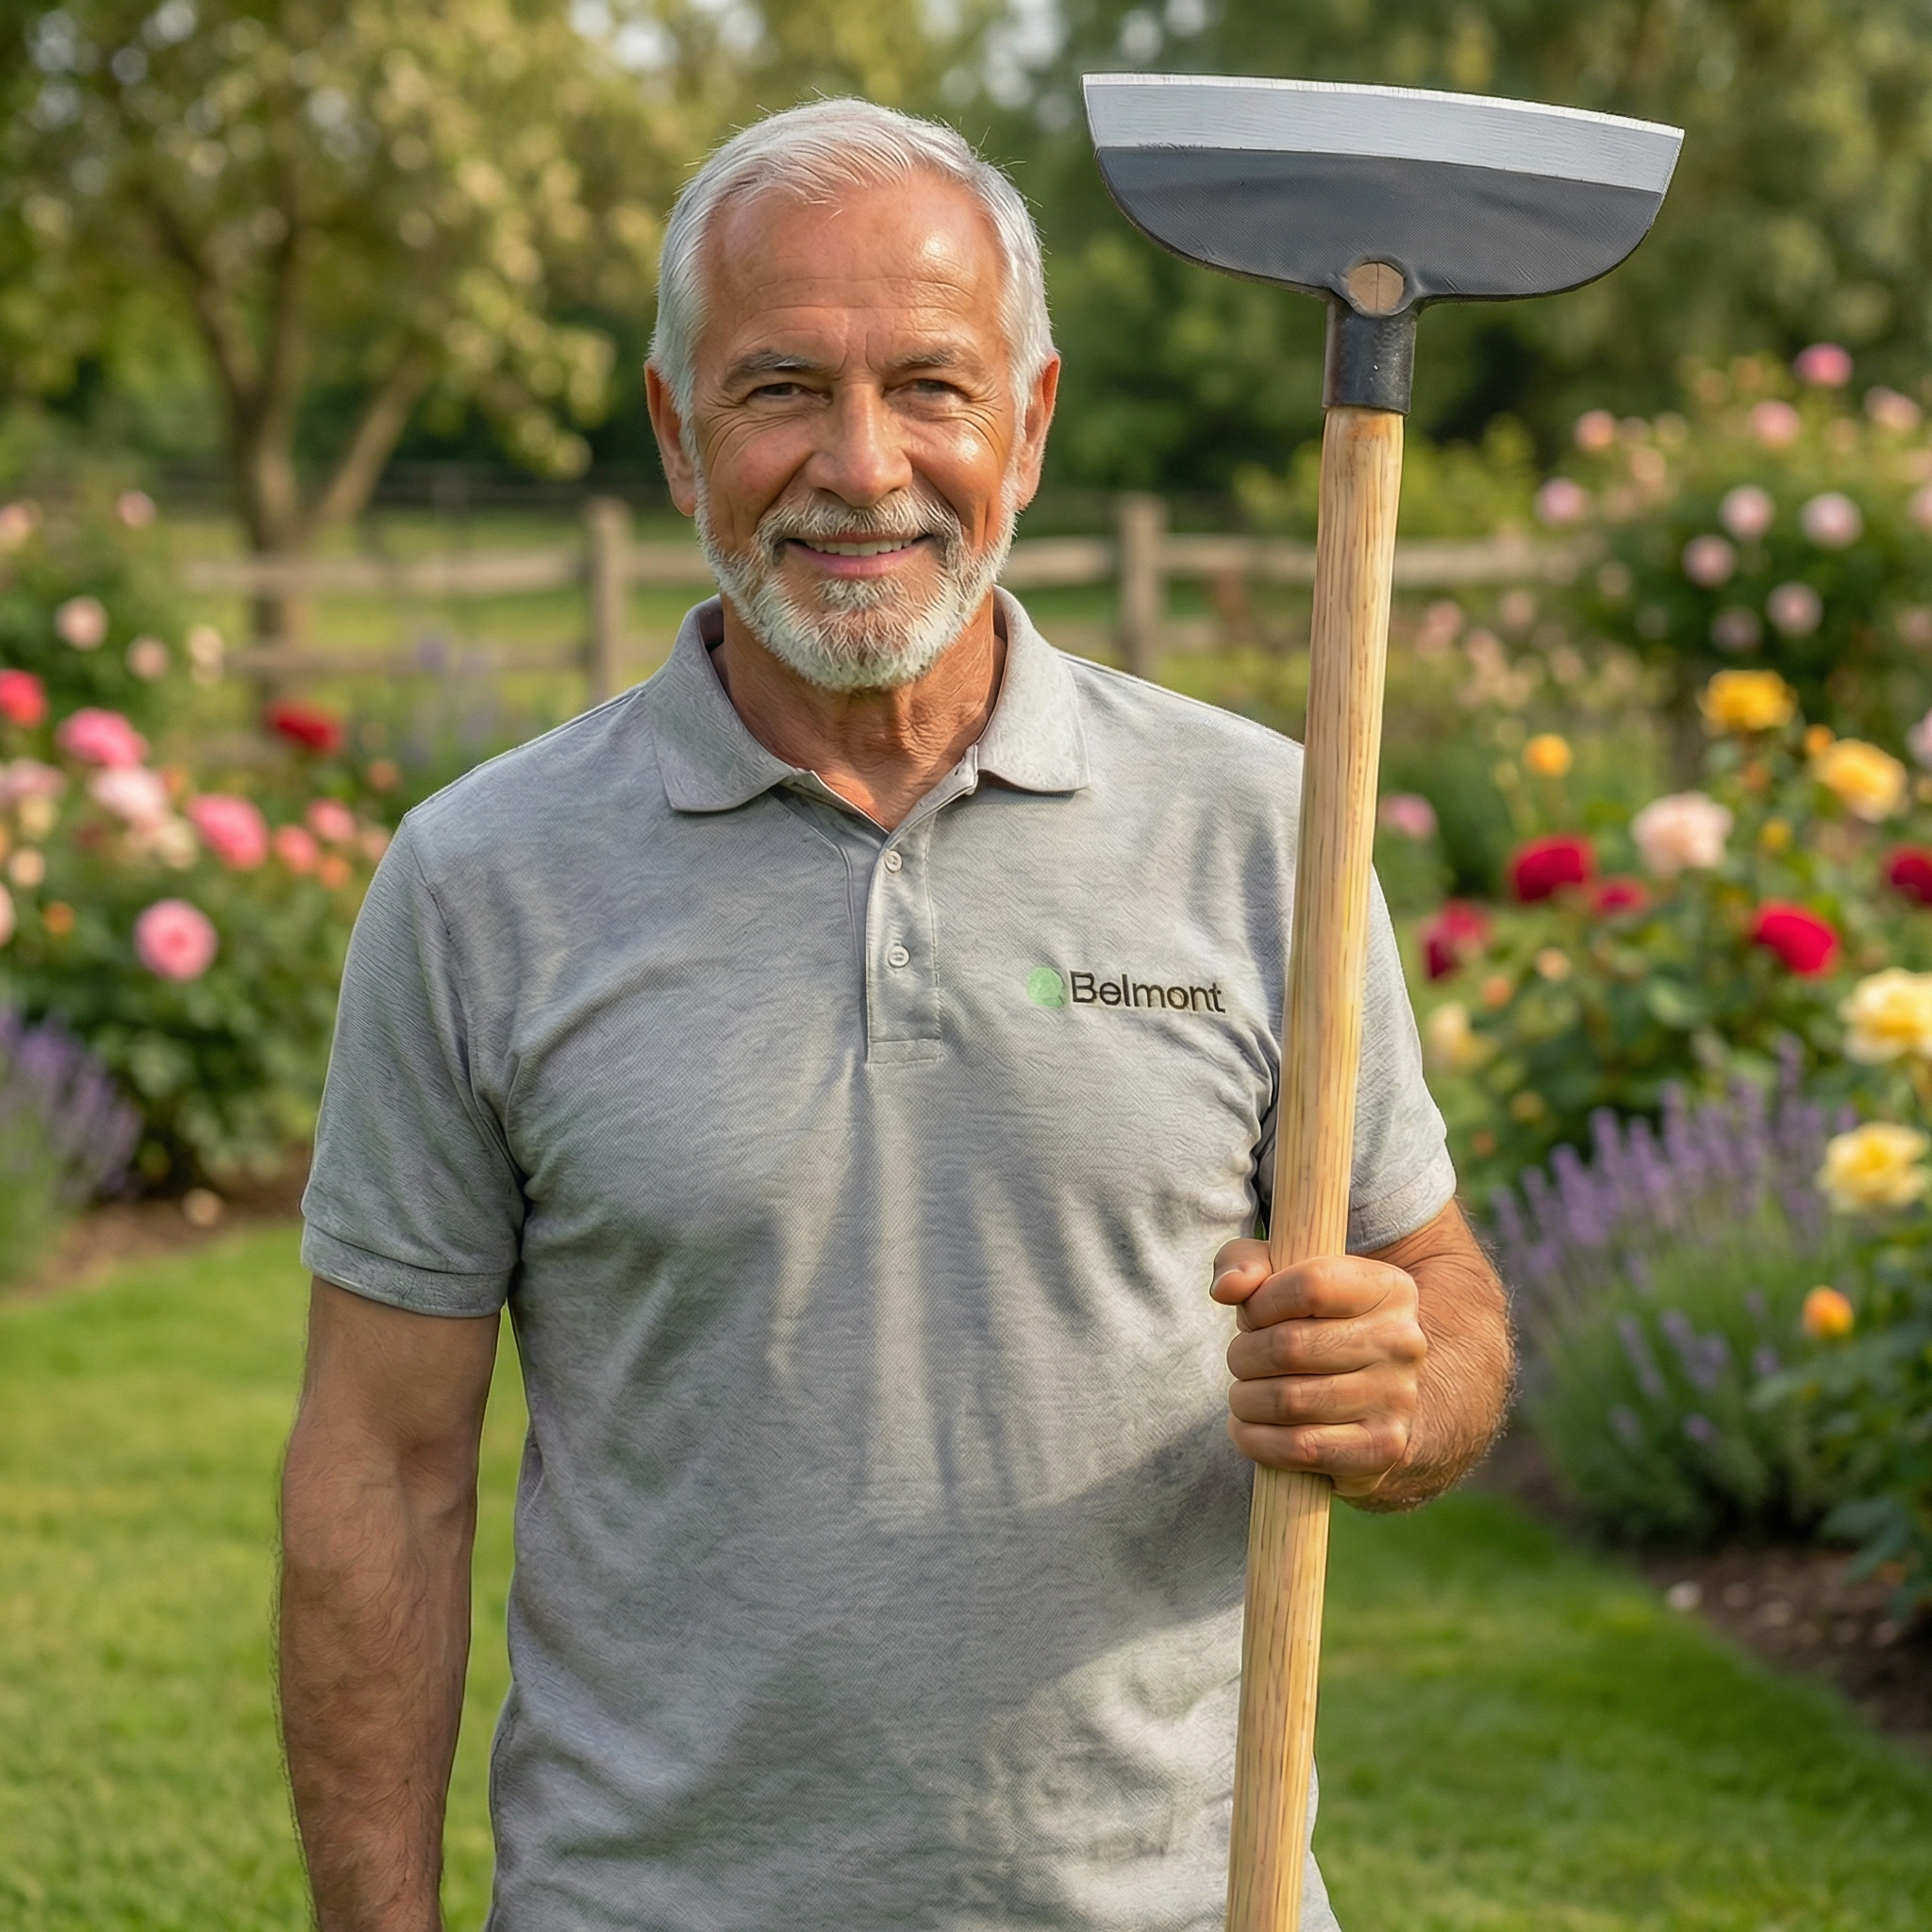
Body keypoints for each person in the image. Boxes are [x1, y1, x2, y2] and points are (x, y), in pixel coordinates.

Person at [279, 98, 1512, 1932]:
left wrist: (1400, 1391)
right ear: (672, 432)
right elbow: (380, 1473)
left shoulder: (1265, 825)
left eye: (930, 385)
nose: (862, 466)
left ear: (1031, 417)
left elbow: (1446, 1299)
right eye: (780, 388)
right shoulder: (482, 881)